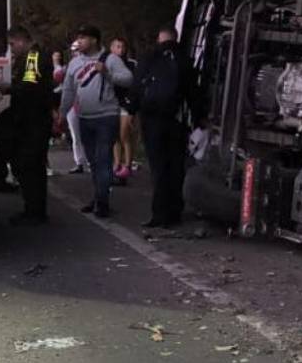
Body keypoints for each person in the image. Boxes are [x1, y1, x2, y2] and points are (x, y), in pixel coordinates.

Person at [59, 24, 134, 218]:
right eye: (78, 38)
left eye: (83, 38)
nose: (79, 42)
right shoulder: (75, 63)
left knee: (103, 159)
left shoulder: (110, 59)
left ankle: (102, 202)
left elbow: (128, 78)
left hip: (105, 117)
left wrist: (108, 73)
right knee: (93, 161)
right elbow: (68, 90)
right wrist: (62, 113)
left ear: (94, 40)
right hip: (85, 117)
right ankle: (98, 196)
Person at [133, 25, 200, 228]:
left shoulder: (149, 58)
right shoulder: (184, 60)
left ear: (159, 38)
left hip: (152, 120)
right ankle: (174, 211)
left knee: (158, 168)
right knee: (176, 166)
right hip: (176, 120)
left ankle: (159, 213)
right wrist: (200, 118)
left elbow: (137, 86)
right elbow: (193, 93)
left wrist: (132, 109)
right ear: (175, 38)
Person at [0, 25, 55, 225]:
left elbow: (29, 86)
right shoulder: (33, 57)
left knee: (28, 165)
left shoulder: (32, 57)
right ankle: (35, 209)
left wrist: (8, 88)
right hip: (35, 119)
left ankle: (34, 210)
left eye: (12, 44)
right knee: (33, 166)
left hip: (33, 120)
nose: (12, 49)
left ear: (22, 40)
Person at [109, 37, 138, 185]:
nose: (120, 50)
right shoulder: (108, 64)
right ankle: (117, 164)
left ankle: (127, 165)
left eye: (123, 47)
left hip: (127, 104)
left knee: (124, 134)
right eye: (117, 47)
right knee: (115, 136)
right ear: (112, 48)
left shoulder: (132, 64)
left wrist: (132, 105)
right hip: (113, 103)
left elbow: (136, 85)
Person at [60, 40, 89, 174]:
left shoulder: (91, 63)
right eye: (74, 51)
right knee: (75, 135)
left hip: (87, 103)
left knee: (89, 134)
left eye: (78, 50)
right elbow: (66, 87)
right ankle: (79, 162)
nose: (76, 53)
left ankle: (92, 161)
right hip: (73, 105)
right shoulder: (70, 66)